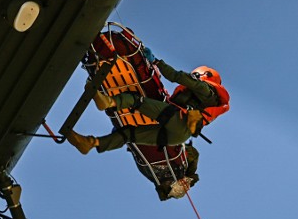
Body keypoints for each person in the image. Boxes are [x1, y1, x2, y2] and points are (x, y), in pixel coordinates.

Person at [65, 48, 230, 156]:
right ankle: (91, 143)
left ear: (204, 76)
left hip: (178, 120)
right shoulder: (208, 100)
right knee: (128, 134)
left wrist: (156, 62)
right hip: (177, 136)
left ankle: (108, 102)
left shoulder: (206, 90)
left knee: (137, 101)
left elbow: (176, 76)